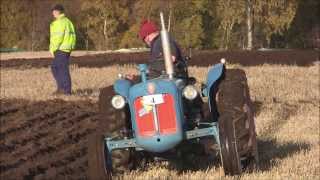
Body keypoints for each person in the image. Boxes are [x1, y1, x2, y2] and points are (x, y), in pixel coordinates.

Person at [49, 4, 76, 95]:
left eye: (53, 11)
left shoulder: (59, 22)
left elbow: (57, 38)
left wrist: (53, 49)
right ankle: (61, 88)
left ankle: (66, 90)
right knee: (56, 67)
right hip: (66, 49)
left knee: (61, 69)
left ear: (57, 12)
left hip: (61, 49)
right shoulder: (67, 21)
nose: (52, 13)